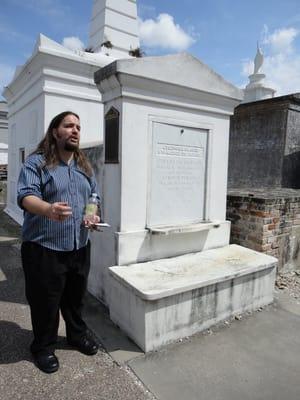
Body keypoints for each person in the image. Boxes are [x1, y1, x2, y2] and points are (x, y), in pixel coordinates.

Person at [17, 111, 100, 373]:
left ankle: (76, 336)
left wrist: (90, 216)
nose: (75, 130)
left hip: (79, 246)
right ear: (55, 132)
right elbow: (26, 196)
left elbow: (94, 195)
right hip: (44, 248)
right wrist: (47, 209)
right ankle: (43, 346)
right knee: (46, 302)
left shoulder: (85, 167)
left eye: (78, 126)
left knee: (75, 299)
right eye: (68, 125)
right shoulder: (37, 163)